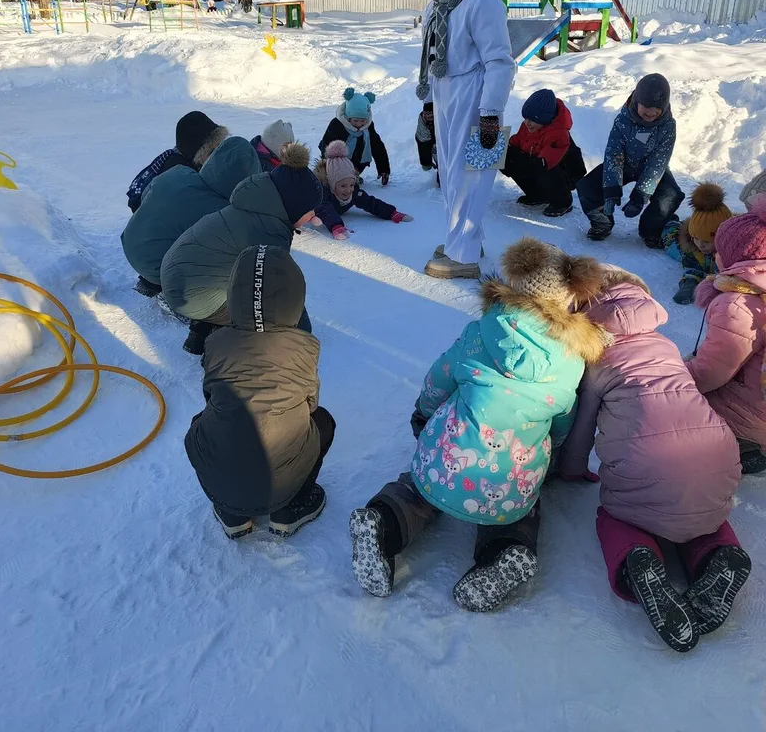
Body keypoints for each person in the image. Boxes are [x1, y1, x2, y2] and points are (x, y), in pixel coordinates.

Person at [349, 238, 607, 612]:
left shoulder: (482, 332)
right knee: (517, 514)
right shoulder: (571, 361)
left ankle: (384, 521)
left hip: (447, 461)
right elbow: (563, 420)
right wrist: (550, 458)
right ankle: (506, 551)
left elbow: (440, 379)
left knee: (418, 489)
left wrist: (423, 412)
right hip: (510, 479)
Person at [560, 269, 747, 653]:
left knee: (619, 516)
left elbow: (582, 428)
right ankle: (720, 553)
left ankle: (637, 559)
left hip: (647, 466)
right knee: (705, 510)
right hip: (719, 453)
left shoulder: (598, 359)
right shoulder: (665, 346)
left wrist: (572, 469)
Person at [185, 245, 335, 539]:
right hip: (281, 477)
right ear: (295, 297)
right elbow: (310, 403)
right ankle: (289, 508)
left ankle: (231, 513)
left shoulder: (216, 342)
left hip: (220, 476)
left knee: (202, 423)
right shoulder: (306, 346)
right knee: (323, 423)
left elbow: (210, 395)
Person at [417, 0, 516, 279]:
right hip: (445, 92)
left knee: (472, 174)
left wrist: (491, 112)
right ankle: (464, 239)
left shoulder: (482, 3)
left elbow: (500, 61)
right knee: (449, 173)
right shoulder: (436, 5)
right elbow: (429, 56)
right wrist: (429, 103)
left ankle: (463, 256)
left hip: (475, 94)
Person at [160, 141, 322, 344]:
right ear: (294, 208)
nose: (313, 215)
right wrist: (302, 330)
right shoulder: (269, 232)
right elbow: (277, 287)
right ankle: (214, 335)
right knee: (267, 310)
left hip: (175, 276)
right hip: (192, 295)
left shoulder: (253, 205)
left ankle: (205, 324)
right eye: (310, 210)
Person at [122, 136, 261, 294]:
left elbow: (146, 196)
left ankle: (152, 275)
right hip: (157, 269)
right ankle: (165, 289)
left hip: (129, 241)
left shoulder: (180, 172)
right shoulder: (224, 212)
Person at [687, 198, 766, 474]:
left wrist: (678, 378)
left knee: (683, 407)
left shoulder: (738, 304)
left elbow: (712, 371)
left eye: (719, 251)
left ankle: (742, 444)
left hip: (754, 412)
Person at [577, 73, 684, 247]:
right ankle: (602, 222)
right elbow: (614, 153)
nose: (650, 112)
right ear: (637, 100)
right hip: (624, 164)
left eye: (656, 109)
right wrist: (611, 189)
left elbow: (658, 162)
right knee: (586, 187)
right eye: (646, 107)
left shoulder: (668, 126)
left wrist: (641, 195)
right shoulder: (623, 120)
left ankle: (651, 230)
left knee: (671, 195)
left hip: (652, 167)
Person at [501, 89, 586, 218]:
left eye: (532, 120)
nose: (527, 123)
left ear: (545, 119)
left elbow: (546, 162)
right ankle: (537, 196)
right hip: (538, 163)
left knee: (542, 169)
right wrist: (504, 150)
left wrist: (524, 164)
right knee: (508, 157)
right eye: (525, 118)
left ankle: (563, 202)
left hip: (562, 172)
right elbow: (518, 140)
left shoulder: (558, 134)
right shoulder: (530, 126)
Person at [126, 111, 228, 213]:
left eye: (219, 146)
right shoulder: (181, 175)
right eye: (211, 150)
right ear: (197, 152)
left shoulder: (187, 159)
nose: (217, 154)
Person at [313, 141, 412, 238]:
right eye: (343, 186)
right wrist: (336, 226)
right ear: (331, 183)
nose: (348, 190)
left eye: (351, 185)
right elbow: (325, 210)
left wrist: (391, 213)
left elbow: (370, 203)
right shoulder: (322, 194)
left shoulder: (354, 192)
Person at [662, 183, 732, 304]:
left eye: (706, 241)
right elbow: (691, 267)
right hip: (680, 242)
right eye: (696, 238)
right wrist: (690, 282)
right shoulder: (693, 247)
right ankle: (674, 222)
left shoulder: (732, 249)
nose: (700, 245)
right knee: (670, 237)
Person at [319, 89, 390, 183]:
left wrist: (383, 169)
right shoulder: (337, 124)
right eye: (355, 121)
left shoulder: (368, 127)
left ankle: (352, 175)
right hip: (336, 161)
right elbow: (326, 144)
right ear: (348, 117)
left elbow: (377, 147)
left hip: (357, 161)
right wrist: (327, 169)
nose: (359, 124)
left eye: (362, 121)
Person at [414, 99, 438, 185]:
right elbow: (423, 142)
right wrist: (426, 162)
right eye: (427, 115)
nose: (428, 117)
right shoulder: (424, 126)